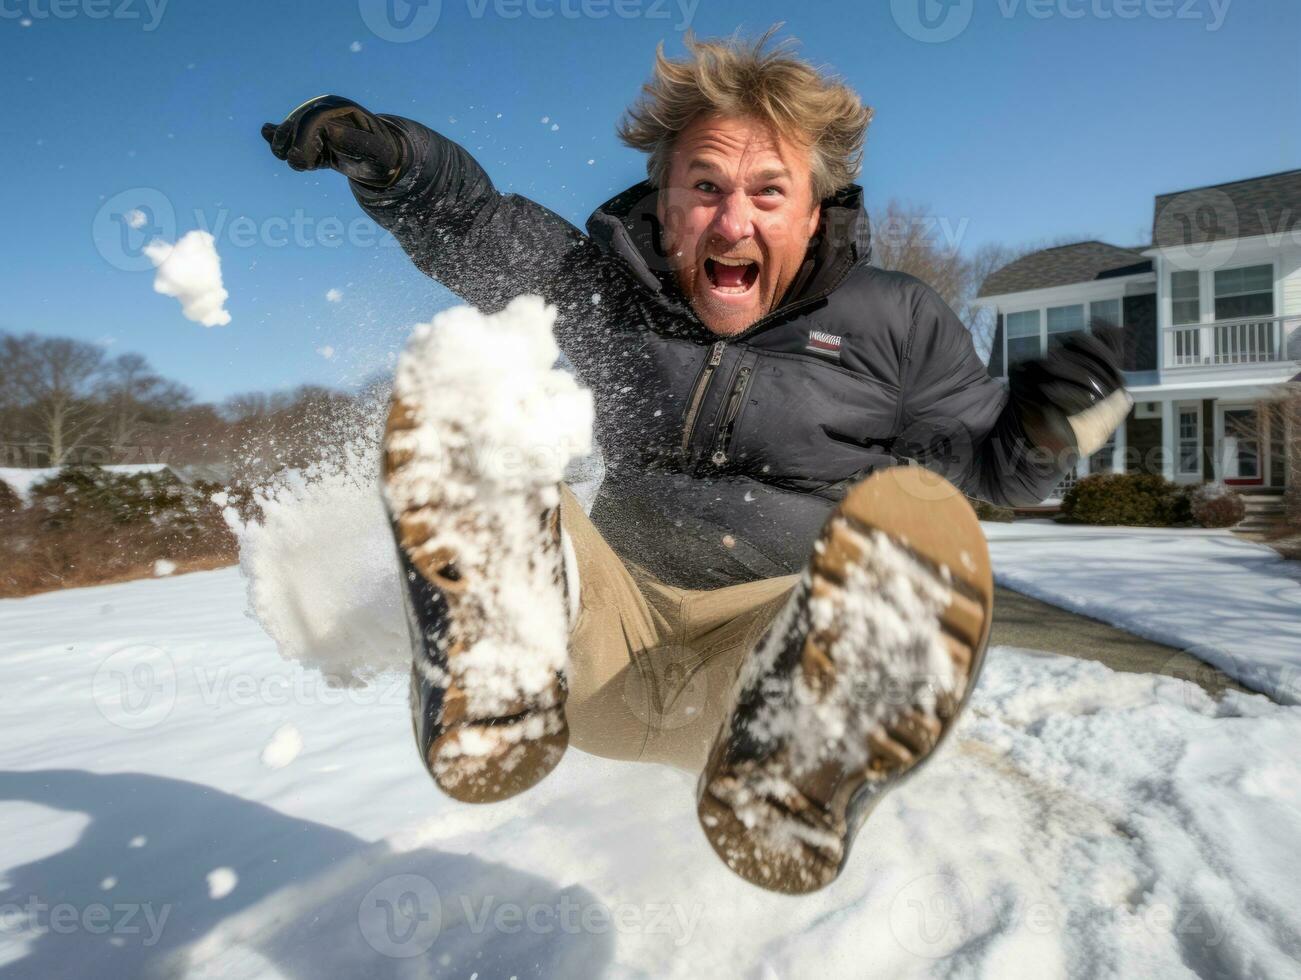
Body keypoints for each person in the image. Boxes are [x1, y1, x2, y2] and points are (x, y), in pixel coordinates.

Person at [262, 30, 1129, 893]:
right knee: (471, 401)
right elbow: (478, 227)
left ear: (815, 209)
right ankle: (493, 675)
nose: (732, 219)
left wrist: (1051, 428)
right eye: (704, 187)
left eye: (767, 191)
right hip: (594, 647)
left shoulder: (893, 321)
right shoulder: (610, 286)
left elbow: (993, 466)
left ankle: (804, 759)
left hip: (756, 674)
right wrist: (393, 161)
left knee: (909, 529)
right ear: (663, 201)